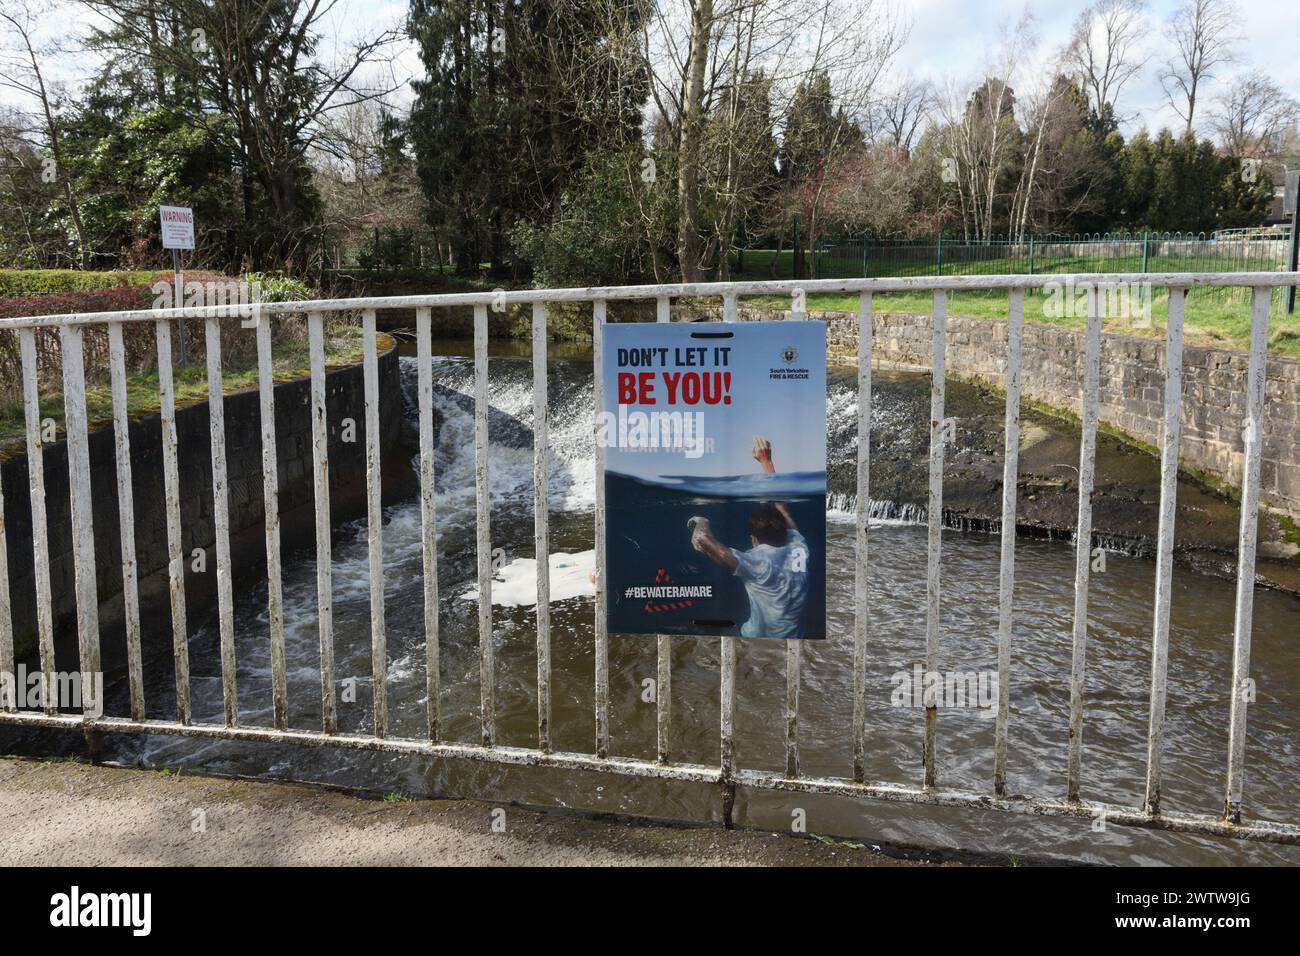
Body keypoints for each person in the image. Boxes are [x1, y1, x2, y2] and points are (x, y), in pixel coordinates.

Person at [688, 436, 810, 638]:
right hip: (794, 640)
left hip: (755, 641)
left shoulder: (758, 564)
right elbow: (783, 508)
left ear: (753, 539)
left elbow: (702, 540)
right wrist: (766, 461)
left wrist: (702, 520)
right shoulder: (799, 546)